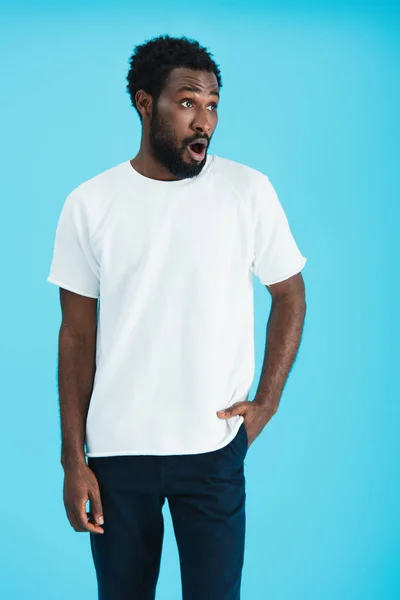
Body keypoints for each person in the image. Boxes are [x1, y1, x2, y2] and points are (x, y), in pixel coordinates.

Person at [47, 34, 307, 600]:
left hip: (212, 450)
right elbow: (76, 337)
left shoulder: (247, 191)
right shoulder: (90, 204)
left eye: (212, 104)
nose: (204, 121)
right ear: (146, 103)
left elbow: (290, 293)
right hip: (116, 456)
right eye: (188, 102)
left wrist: (266, 403)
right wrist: (74, 460)